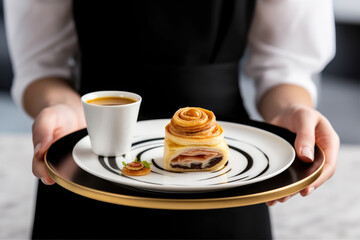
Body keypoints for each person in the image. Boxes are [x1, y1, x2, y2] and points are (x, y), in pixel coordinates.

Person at [5, 0, 339, 239]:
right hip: (89, 160)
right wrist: (60, 107)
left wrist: (291, 111)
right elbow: (42, 68)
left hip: (231, 182)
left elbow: (283, 69)